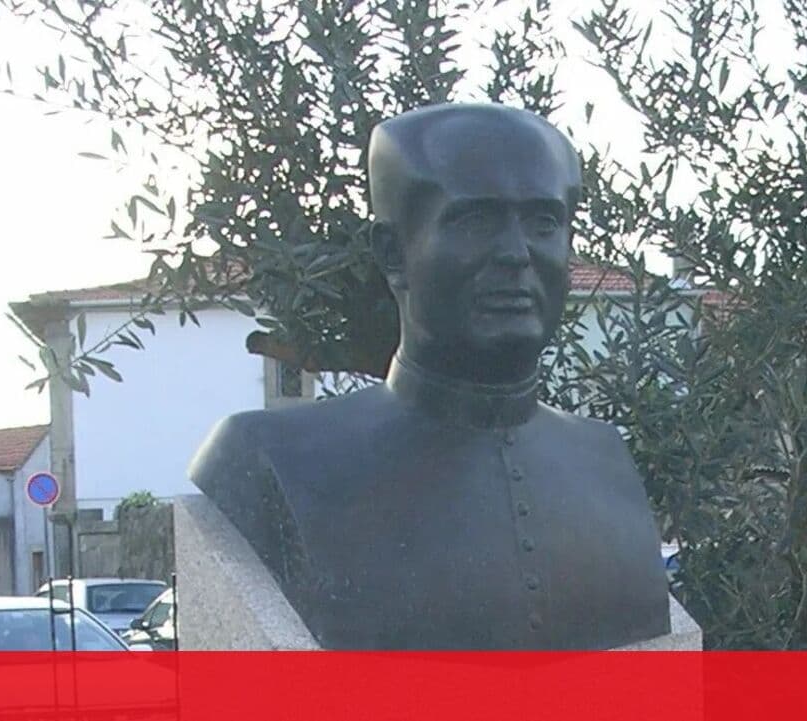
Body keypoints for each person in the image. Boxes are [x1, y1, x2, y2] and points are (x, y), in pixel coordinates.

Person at [191, 104, 671, 650]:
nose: (516, 253)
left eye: (543, 223)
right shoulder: (268, 459)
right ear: (394, 253)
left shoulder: (604, 459)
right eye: (475, 220)